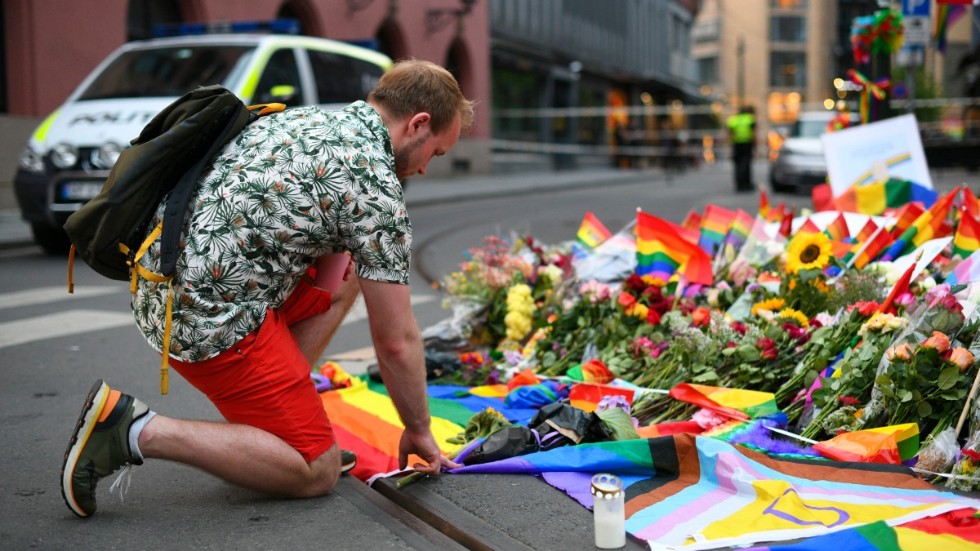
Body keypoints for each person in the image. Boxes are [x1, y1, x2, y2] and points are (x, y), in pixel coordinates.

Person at [61, 59, 475, 518]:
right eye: (434, 154)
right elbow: (396, 342)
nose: (422, 171)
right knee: (316, 468)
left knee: (360, 265)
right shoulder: (375, 188)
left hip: (162, 286)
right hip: (207, 320)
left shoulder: (306, 117)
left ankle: (276, 417)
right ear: (418, 124)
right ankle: (132, 429)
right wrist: (418, 430)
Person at [726, 105, 756, 192]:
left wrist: (730, 145)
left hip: (737, 144)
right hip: (747, 144)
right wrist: (755, 145)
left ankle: (739, 184)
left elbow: (730, 133)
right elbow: (754, 133)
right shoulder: (750, 118)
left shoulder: (734, 120)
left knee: (737, 165)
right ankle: (747, 184)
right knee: (747, 164)